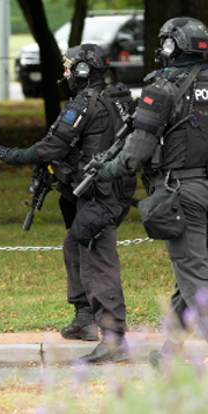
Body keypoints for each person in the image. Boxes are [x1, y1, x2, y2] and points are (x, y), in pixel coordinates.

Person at [0, 44, 135, 364]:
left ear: (84, 71)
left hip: (99, 194)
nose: (66, 73)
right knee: (74, 245)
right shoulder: (119, 98)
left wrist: (7, 154)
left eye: (71, 68)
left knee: (99, 261)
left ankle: (113, 338)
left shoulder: (85, 103)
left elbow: (50, 148)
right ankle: (84, 318)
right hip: (113, 190)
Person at [97, 17, 208, 366]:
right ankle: (169, 353)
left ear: (171, 47)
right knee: (189, 275)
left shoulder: (160, 89)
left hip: (183, 193)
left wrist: (106, 169)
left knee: (195, 275)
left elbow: (136, 153)